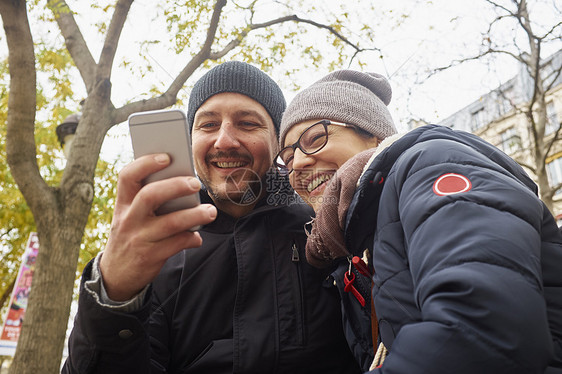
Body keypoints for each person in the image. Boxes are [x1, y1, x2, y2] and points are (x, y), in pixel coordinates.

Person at [62, 61, 361, 373]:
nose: (224, 141)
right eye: (207, 125)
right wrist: (113, 296)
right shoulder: (157, 255)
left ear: (278, 144)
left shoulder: (326, 226)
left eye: (247, 123)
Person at [276, 69, 562, 373]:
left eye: (315, 138)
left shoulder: (433, 164)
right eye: (289, 158)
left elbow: (481, 330)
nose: (300, 164)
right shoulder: (352, 242)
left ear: (372, 133)